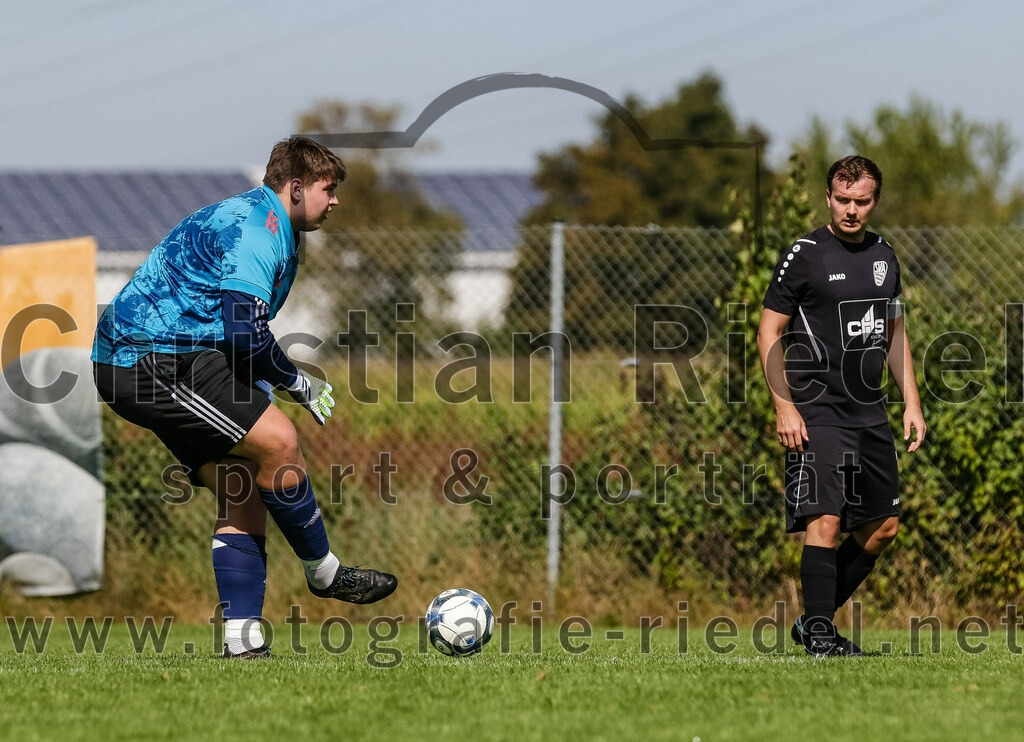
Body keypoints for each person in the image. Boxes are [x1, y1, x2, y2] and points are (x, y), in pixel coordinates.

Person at [92, 136, 397, 659]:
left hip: (177, 356)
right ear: (296, 188)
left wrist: (261, 385)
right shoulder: (258, 230)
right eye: (329, 189)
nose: (336, 200)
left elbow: (229, 334)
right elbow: (244, 334)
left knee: (243, 484)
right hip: (145, 359)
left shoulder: (271, 225)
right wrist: (297, 384)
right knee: (279, 440)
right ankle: (324, 573)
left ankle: (242, 641)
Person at [757, 155, 926, 656]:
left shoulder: (885, 256)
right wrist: (784, 406)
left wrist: (911, 404)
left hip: (869, 411)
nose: (852, 210)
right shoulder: (806, 254)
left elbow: (895, 335)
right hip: (817, 409)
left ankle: (814, 621)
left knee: (884, 526)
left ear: (875, 201)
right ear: (829, 198)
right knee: (825, 521)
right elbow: (769, 331)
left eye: (862, 201)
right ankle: (822, 639)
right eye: (844, 200)